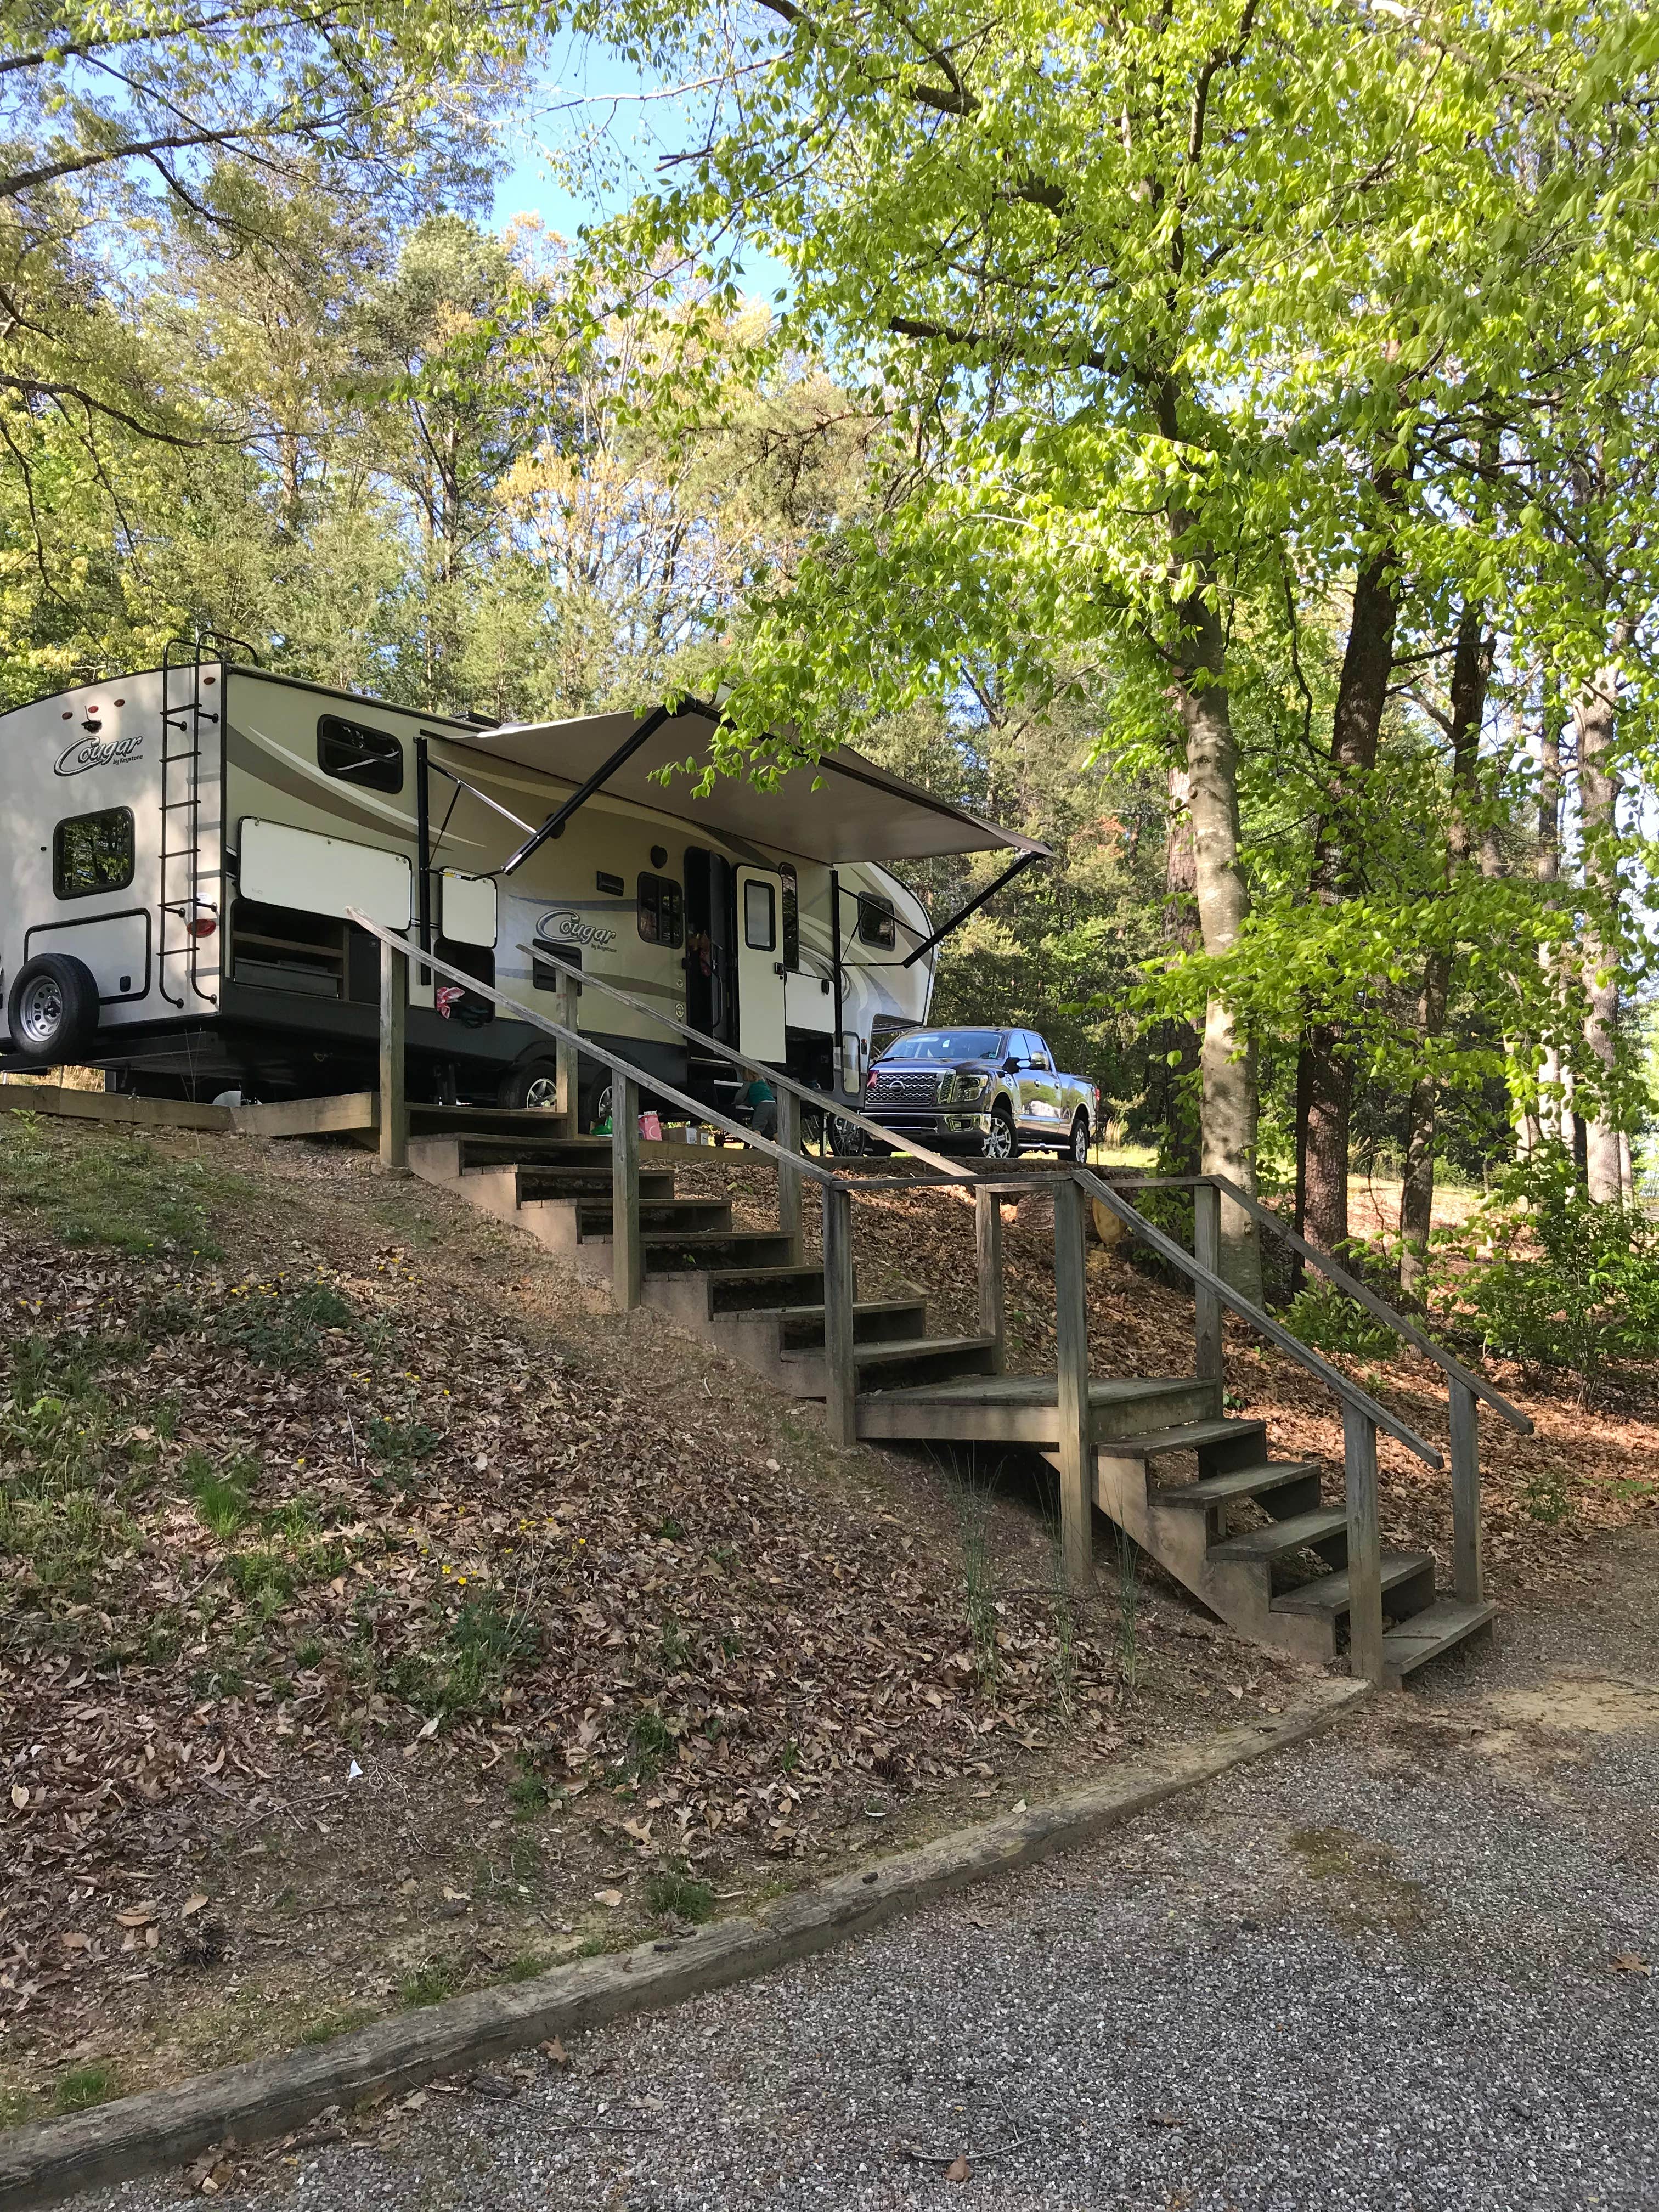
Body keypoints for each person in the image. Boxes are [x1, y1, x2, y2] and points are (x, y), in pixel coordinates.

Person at [742, 1073, 778, 1142]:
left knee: (757, 1128)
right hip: (773, 1104)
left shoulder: (749, 1083)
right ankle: (782, 1147)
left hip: (763, 1106)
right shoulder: (763, 1084)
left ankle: (758, 1146)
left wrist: (735, 1102)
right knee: (774, 1130)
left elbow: (740, 1098)